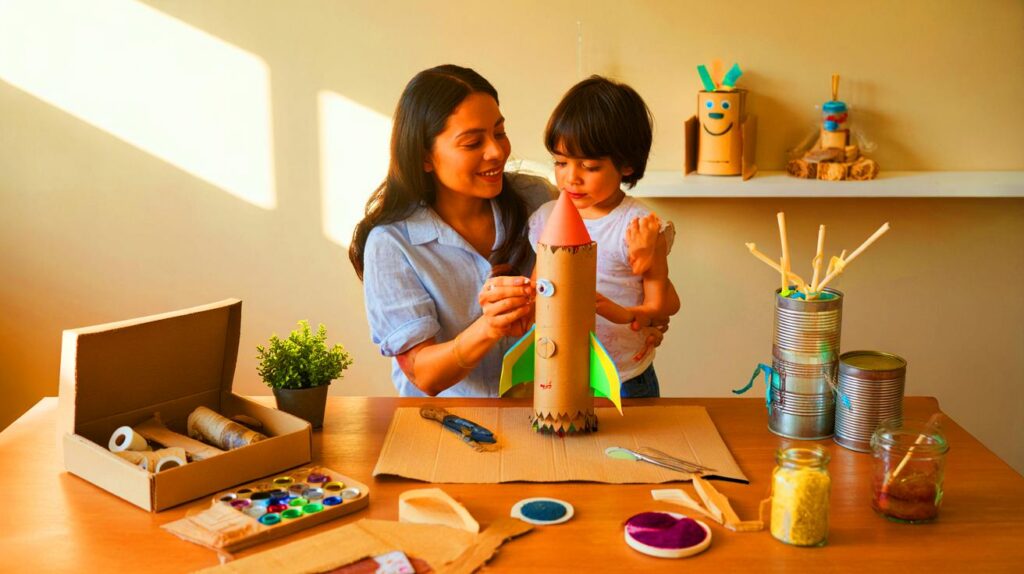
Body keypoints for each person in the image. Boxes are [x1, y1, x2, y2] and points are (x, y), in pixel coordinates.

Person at [349, 65, 555, 397]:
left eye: (499, 133)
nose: (497, 151)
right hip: (446, 425)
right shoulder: (391, 244)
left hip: (537, 414)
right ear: (424, 156)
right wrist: (490, 327)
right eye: (473, 142)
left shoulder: (539, 200)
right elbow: (424, 375)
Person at [528, 76, 680, 398]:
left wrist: (646, 264)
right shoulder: (546, 218)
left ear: (625, 165)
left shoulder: (637, 225)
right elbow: (538, 290)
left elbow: (665, 304)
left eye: (590, 166)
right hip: (561, 372)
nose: (571, 177)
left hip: (626, 377)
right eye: (560, 162)